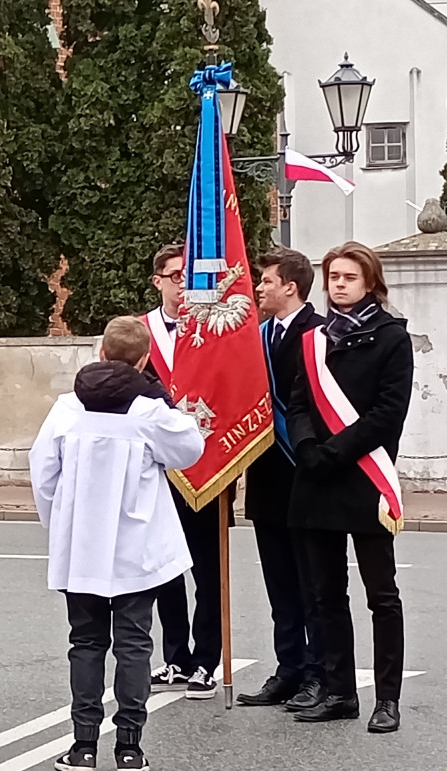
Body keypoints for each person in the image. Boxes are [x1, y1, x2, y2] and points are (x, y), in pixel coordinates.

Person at [29, 316, 204, 771]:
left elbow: (42, 469)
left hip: (82, 549)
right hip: (135, 550)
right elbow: (190, 449)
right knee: (134, 645)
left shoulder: (68, 408)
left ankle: (83, 745)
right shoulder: (150, 412)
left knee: (85, 643)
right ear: (145, 359)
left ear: (100, 352)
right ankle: (130, 746)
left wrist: (59, 523)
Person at [287, 242, 412, 733]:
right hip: (315, 480)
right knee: (325, 594)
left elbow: (388, 412)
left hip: (364, 478)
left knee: (381, 594)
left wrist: (334, 451)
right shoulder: (313, 340)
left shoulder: (391, 337)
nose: (339, 284)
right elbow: (297, 403)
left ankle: (386, 700)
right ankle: (339, 692)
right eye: (334, 276)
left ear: (369, 283)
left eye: (349, 277)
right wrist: (306, 448)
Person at [237, 247, 327, 711]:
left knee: (313, 584)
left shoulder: (318, 334)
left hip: (306, 475)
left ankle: (318, 673)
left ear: (290, 286)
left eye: (266, 281)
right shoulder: (257, 336)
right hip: (268, 477)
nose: (259, 288)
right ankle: (288, 668)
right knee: (279, 585)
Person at [141, 243, 229, 700]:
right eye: (173, 275)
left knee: (209, 570)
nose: (181, 282)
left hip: (210, 462)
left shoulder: (213, 331)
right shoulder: (142, 332)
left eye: (186, 275)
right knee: (166, 567)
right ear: (157, 280)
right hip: (159, 468)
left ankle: (206, 660)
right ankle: (175, 656)